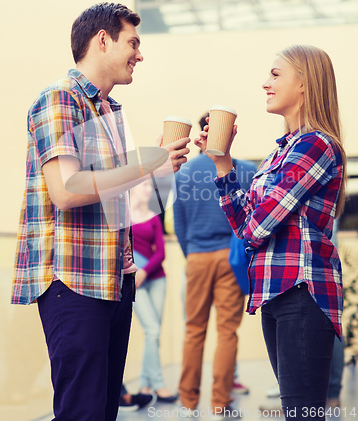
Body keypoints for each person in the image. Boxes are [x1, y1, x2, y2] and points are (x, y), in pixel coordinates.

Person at [11, 2, 190, 421]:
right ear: (102, 39)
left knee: (103, 411)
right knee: (82, 412)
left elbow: (109, 193)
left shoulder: (108, 111)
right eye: (133, 42)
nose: (139, 54)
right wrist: (148, 164)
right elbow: (67, 190)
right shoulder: (59, 98)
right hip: (73, 282)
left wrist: (156, 170)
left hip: (112, 279)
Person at [196, 45, 346, 420]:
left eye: (276, 74)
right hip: (279, 296)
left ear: (305, 83)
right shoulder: (282, 151)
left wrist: (249, 217)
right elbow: (243, 224)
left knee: (301, 415)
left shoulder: (315, 145)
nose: (265, 83)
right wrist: (222, 162)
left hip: (302, 294)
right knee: (297, 412)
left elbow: (256, 226)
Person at [173, 113, 257, 418]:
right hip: (231, 259)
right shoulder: (246, 169)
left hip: (196, 257)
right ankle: (221, 402)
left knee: (193, 330)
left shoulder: (184, 172)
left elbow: (179, 223)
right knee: (227, 332)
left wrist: (191, 254)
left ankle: (187, 402)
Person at [131, 180, 177, 402]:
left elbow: (160, 252)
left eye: (150, 187)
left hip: (156, 279)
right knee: (152, 330)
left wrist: (144, 271)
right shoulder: (119, 219)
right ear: (131, 188)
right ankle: (158, 384)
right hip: (134, 283)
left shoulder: (153, 217)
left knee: (154, 333)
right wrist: (135, 274)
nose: (149, 190)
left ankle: (143, 385)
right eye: (144, 186)